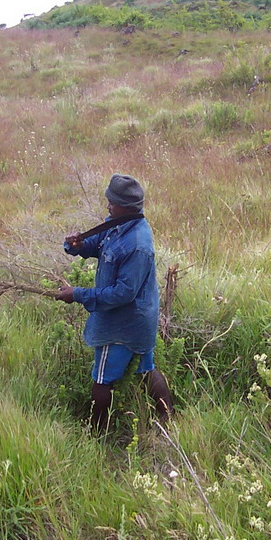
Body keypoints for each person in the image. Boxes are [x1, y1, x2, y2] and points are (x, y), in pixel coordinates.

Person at [56, 174, 174, 430]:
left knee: (102, 380)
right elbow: (97, 245)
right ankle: (169, 419)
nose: (107, 205)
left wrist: (77, 294)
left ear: (126, 206)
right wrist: (77, 246)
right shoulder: (120, 224)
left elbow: (123, 294)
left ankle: (97, 435)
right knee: (145, 368)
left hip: (124, 323)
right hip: (138, 318)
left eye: (112, 201)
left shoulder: (138, 245)